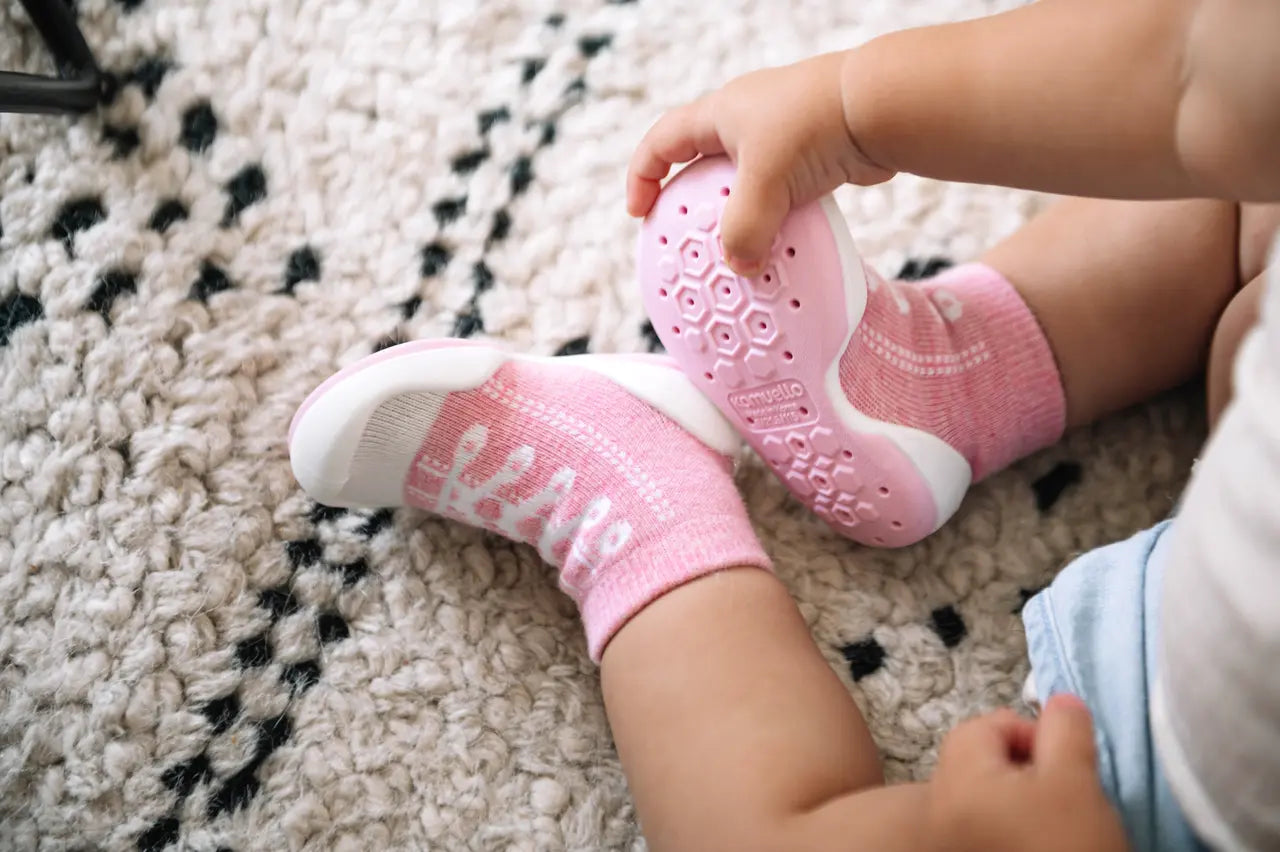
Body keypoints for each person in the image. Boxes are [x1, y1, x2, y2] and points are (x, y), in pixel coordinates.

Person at [289, 0, 1280, 847]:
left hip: (1177, 763)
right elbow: (1198, 62)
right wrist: (856, 108)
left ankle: (629, 495)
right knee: (1237, 176)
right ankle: (939, 380)